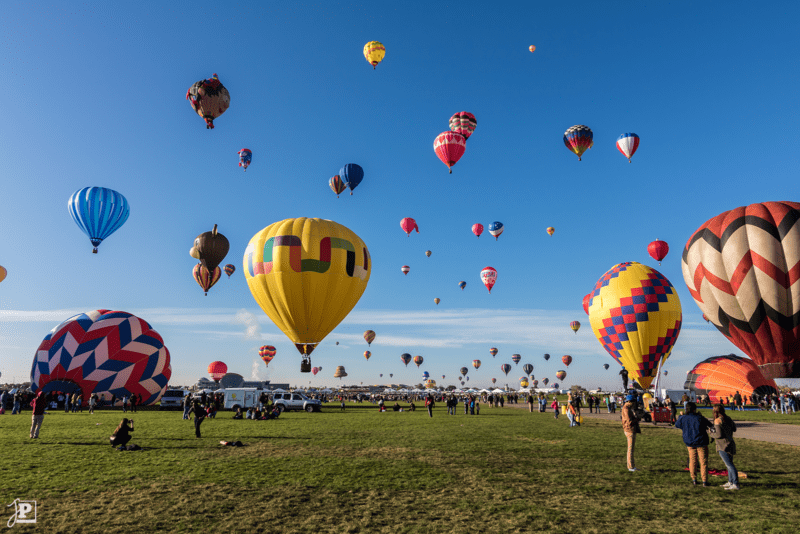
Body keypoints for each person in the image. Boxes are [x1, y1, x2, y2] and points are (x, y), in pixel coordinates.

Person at [675, 402, 713, 486]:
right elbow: (710, 425)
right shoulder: (699, 417)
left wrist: (681, 416)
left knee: (692, 461)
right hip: (701, 442)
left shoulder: (683, 418)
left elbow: (677, 425)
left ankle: (694, 479)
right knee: (703, 462)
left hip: (690, 442)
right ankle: (704, 480)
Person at [712, 404, 739, 490]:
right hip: (730, 442)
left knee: (729, 465)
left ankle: (735, 483)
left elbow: (718, 434)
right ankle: (730, 481)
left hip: (722, 445)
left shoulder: (717, 421)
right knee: (729, 464)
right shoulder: (728, 418)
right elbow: (734, 429)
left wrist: (710, 433)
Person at [621, 394, 640, 472]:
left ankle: (632, 466)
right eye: (633, 402)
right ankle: (630, 467)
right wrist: (637, 418)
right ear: (629, 401)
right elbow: (629, 421)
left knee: (631, 449)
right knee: (630, 449)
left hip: (629, 429)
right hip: (629, 430)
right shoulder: (626, 409)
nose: (633, 403)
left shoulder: (627, 408)